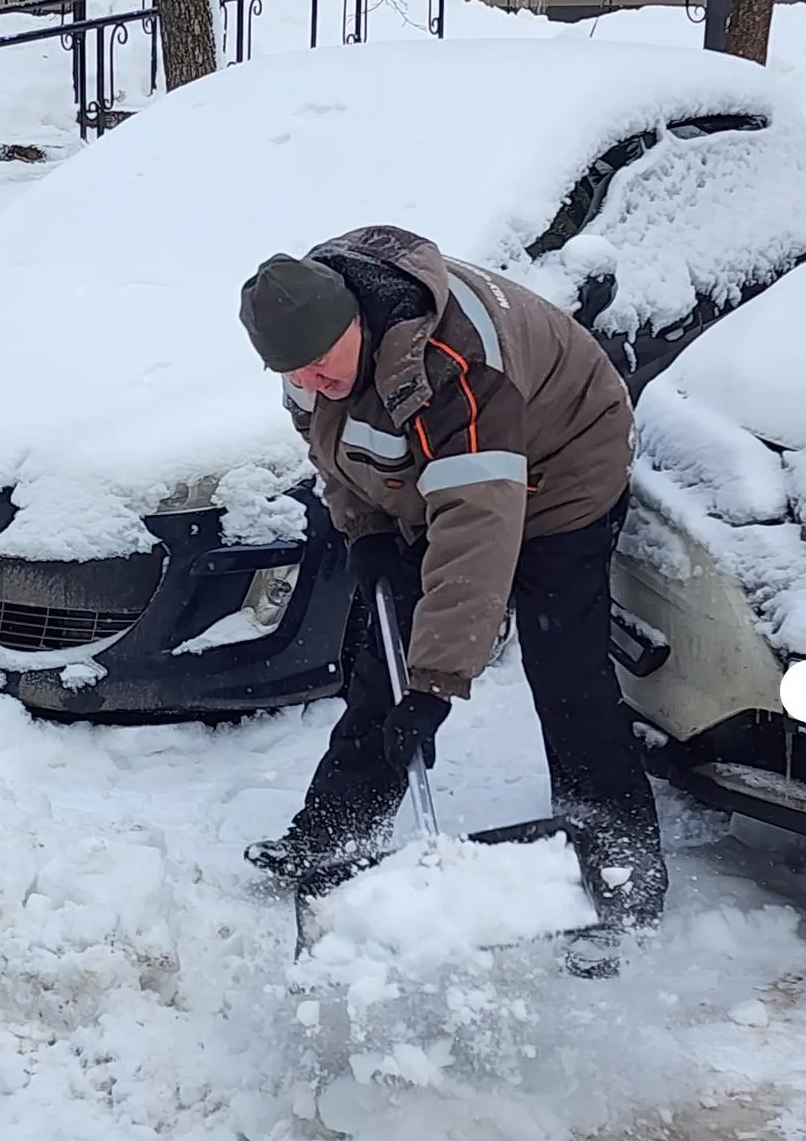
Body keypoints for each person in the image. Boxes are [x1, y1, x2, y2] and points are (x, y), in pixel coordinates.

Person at [235, 222, 667, 938]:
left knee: (567, 670)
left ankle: (621, 867)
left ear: (354, 322)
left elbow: (478, 526)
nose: (311, 382)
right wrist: (368, 534)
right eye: (295, 374)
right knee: (386, 662)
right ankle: (332, 835)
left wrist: (436, 685)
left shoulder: (452, 362)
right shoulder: (309, 354)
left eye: (319, 365)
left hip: (562, 467)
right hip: (440, 478)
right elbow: (337, 453)